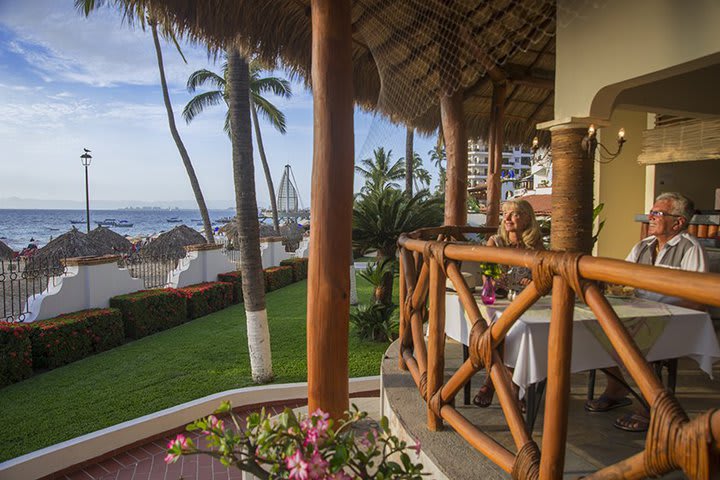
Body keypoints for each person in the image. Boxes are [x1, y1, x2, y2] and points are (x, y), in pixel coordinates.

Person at [584, 192, 708, 432]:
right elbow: (621, 280)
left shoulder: (690, 248)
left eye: (657, 213)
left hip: (672, 320)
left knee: (634, 334)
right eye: (651, 212)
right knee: (591, 326)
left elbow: (699, 299)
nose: (650, 217)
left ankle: (652, 403)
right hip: (635, 313)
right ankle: (616, 387)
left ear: (678, 222)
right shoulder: (643, 246)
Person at [473, 199, 545, 408]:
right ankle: (510, 386)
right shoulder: (495, 243)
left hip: (528, 302)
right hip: (500, 301)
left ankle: (495, 382)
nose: (507, 218)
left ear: (527, 219)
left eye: (514, 214)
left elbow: (543, 280)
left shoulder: (536, 246)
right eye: (505, 214)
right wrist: (494, 281)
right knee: (505, 327)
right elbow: (487, 279)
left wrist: (533, 282)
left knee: (525, 329)